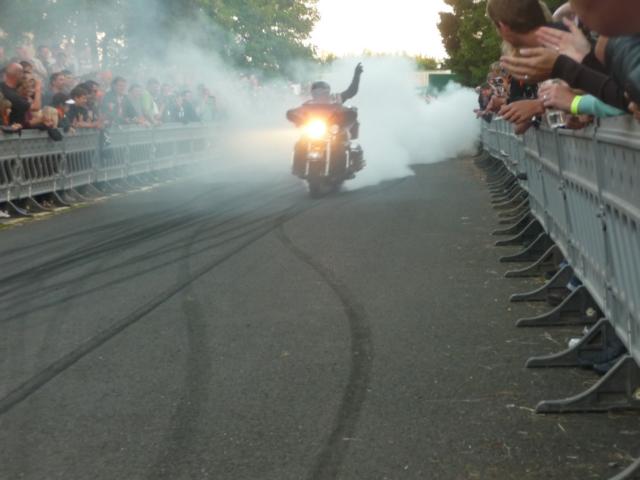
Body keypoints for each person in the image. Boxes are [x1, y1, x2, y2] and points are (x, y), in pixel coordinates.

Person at [287, 63, 364, 178]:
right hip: (316, 129)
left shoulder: (336, 98)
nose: (319, 94)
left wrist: (357, 75)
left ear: (327, 92)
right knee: (300, 144)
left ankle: (343, 170)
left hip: (335, 129)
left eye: (322, 92)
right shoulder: (309, 103)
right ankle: (298, 169)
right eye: (317, 92)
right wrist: (293, 114)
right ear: (313, 93)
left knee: (340, 146)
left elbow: (351, 91)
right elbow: (298, 111)